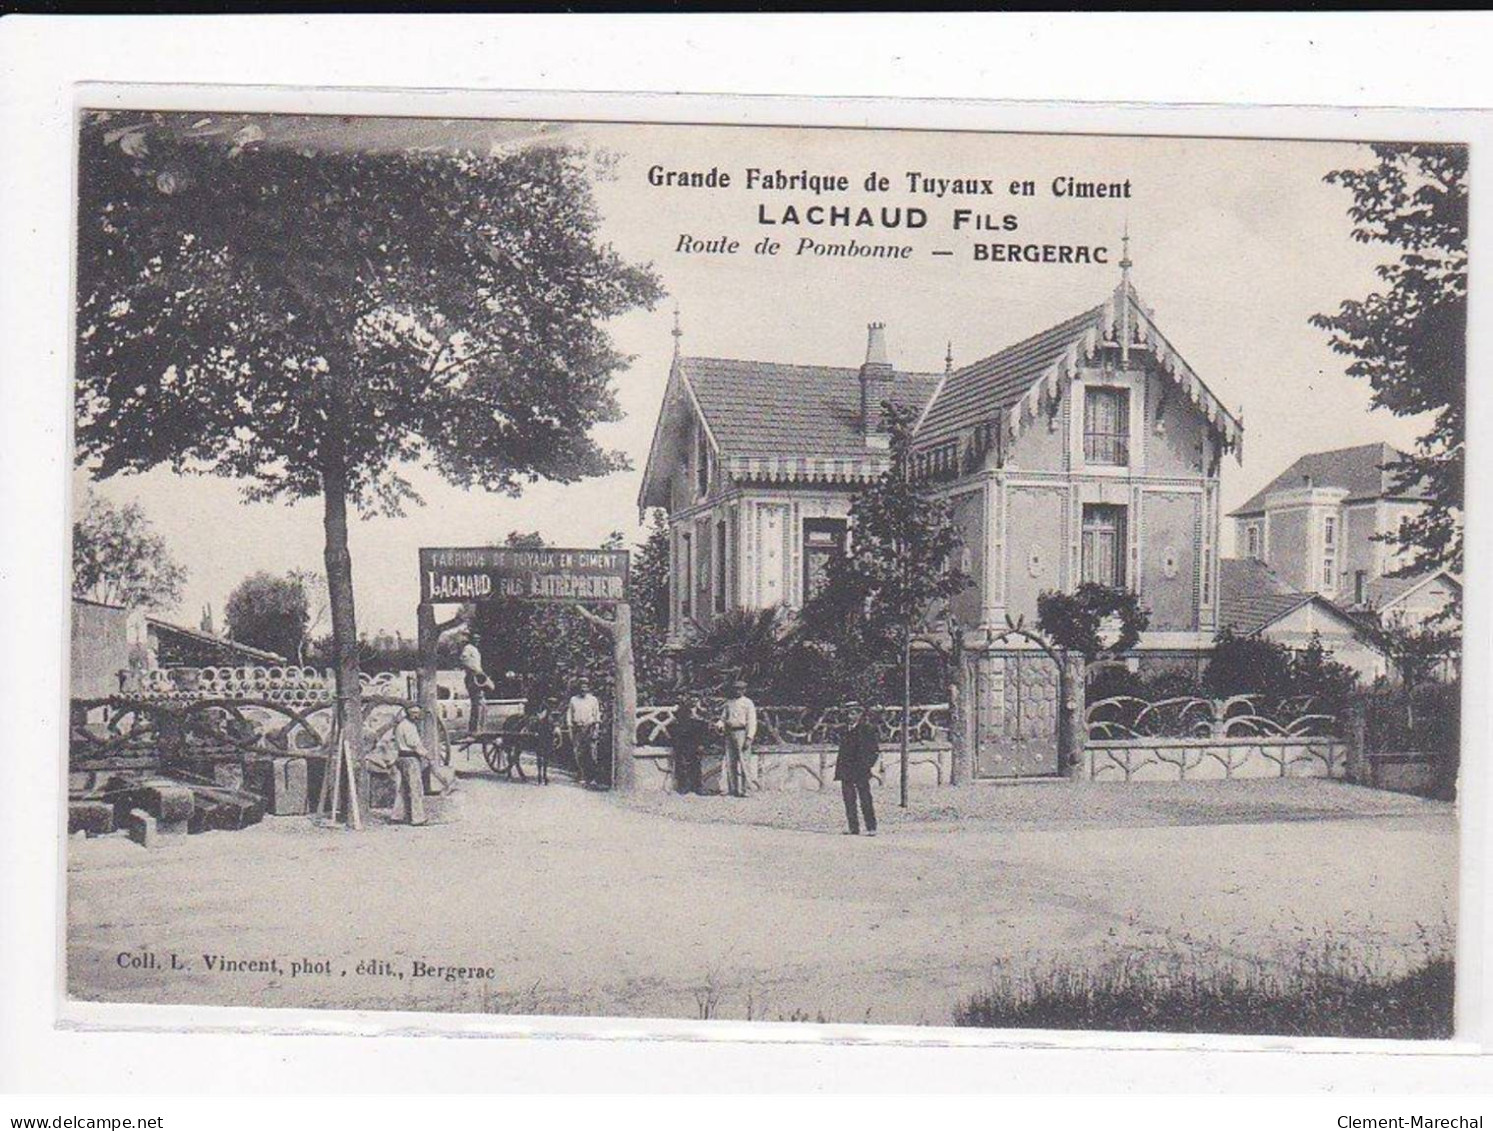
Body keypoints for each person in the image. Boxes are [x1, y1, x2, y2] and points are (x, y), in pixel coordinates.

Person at [387, 704, 458, 826]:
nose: (416, 716)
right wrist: (427, 755)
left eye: (417, 713)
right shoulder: (408, 727)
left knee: (403, 788)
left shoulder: (401, 725)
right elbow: (414, 745)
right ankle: (417, 818)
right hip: (410, 758)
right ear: (408, 713)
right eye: (413, 713)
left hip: (401, 758)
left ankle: (397, 815)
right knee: (416, 788)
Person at [834, 701, 880, 836]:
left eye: (853, 713)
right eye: (848, 713)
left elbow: (874, 751)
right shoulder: (844, 730)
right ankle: (853, 827)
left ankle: (871, 827)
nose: (850, 716)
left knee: (865, 798)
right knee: (848, 799)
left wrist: (867, 765)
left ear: (860, 714)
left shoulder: (867, 729)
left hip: (861, 769)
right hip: (846, 769)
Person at [718, 678, 757, 798]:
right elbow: (723, 718)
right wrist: (719, 725)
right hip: (729, 733)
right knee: (730, 762)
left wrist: (749, 737)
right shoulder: (729, 703)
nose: (738, 691)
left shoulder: (748, 703)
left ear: (744, 690)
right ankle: (733, 789)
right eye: (735, 689)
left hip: (742, 733)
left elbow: (752, 721)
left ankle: (746, 790)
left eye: (740, 689)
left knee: (744, 762)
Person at [566, 676, 602, 787]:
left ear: (588, 688)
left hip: (590, 728)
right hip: (578, 728)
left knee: (592, 753)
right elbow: (569, 715)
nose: (583, 689)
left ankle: (593, 778)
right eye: (581, 687)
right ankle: (581, 775)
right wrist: (570, 727)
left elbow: (597, 715)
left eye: (585, 687)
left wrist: (596, 729)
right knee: (578, 752)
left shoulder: (593, 700)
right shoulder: (573, 700)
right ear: (578, 688)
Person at [670, 694, 709, 795]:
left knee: (696, 764)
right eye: (692, 699)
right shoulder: (682, 711)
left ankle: (697, 787)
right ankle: (684, 787)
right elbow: (678, 726)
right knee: (683, 764)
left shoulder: (702, 712)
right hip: (685, 742)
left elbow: (705, 730)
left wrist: (702, 743)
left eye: (696, 699)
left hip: (697, 742)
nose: (694, 701)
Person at [459, 629, 495, 737]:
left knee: (481, 704)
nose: (477, 640)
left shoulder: (475, 649)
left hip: (477, 676)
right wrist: (476, 671)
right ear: (471, 639)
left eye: (478, 638)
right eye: (475, 638)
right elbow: (463, 660)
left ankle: (479, 728)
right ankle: (475, 730)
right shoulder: (468, 648)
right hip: (472, 677)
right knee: (478, 703)